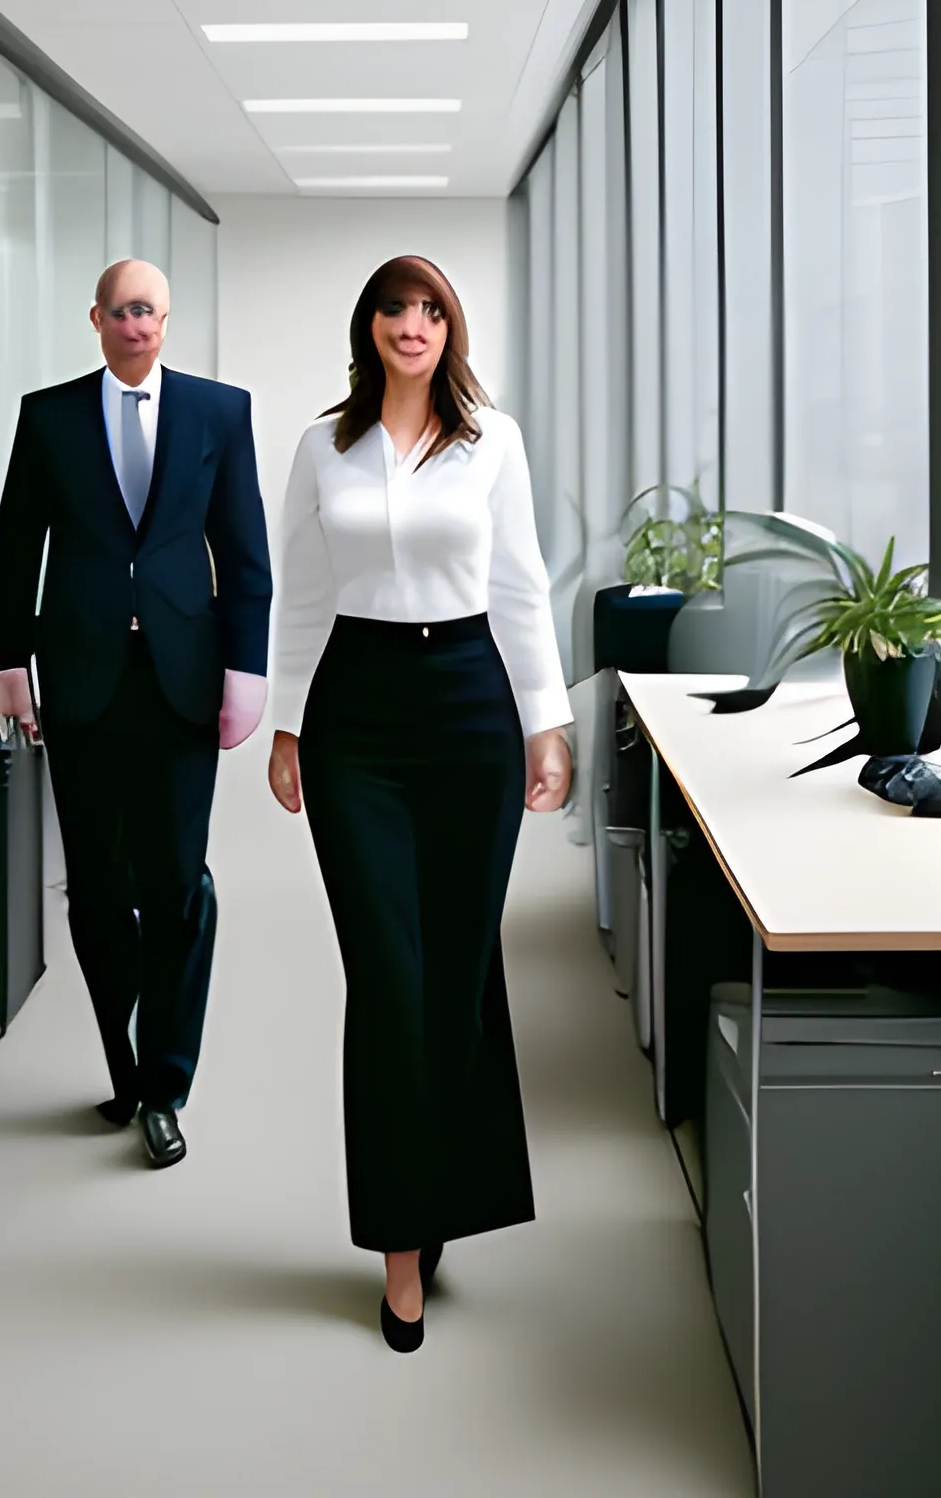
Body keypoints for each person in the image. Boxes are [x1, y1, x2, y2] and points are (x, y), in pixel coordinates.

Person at [266, 254, 571, 1353]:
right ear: (369, 326)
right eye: (395, 307)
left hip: (468, 714)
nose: (412, 323)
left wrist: (546, 722)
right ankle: (399, 1245)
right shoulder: (321, 444)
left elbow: (522, 583)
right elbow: (298, 591)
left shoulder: (493, 440)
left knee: (454, 967)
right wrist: (288, 723)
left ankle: (441, 1192)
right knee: (386, 977)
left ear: (450, 328)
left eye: (429, 307)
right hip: (357, 715)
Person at [0, 260, 272, 1170]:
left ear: (166, 318)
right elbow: (14, 545)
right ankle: (124, 1059)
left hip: (184, 675)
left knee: (177, 883)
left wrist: (248, 668)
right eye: (122, 310)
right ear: (98, 319)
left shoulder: (221, 412)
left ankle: (166, 1083)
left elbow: (245, 549)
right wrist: (7, 664)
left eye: (150, 309)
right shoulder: (49, 415)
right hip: (82, 678)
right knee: (101, 889)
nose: (137, 323)